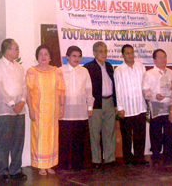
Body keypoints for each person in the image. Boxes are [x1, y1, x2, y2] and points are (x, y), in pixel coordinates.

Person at [0, 39, 27, 182]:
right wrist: (13, 104)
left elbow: (24, 86)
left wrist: (22, 101)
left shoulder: (19, 67)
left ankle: (16, 170)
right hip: (5, 110)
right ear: (7, 50)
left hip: (20, 109)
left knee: (18, 141)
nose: (18, 51)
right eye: (16, 48)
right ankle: (2, 171)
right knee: (4, 142)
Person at [26, 45, 65, 175]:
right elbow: (27, 92)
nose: (43, 57)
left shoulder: (57, 71)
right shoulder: (32, 71)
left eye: (46, 54)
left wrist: (62, 107)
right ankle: (40, 165)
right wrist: (30, 109)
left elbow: (61, 91)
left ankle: (50, 164)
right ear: (37, 56)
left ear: (50, 57)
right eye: (41, 54)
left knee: (52, 137)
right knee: (39, 138)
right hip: (38, 111)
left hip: (53, 111)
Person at [58, 46, 94, 171]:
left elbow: (89, 90)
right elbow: (56, 91)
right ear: (67, 57)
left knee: (78, 140)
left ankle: (77, 165)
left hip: (81, 111)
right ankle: (63, 165)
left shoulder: (84, 71)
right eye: (74, 56)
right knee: (64, 139)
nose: (76, 59)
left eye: (79, 56)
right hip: (65, 111)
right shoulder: (59, 71)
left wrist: (90, 106)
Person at [83, 41, 117, 169]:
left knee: (110, 132)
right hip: (96, 103)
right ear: (94, 53)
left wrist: (116, 104)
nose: (104, 54)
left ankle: (109, 159)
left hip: (109, 102)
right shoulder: (88, 67)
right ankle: (96, 160)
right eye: (101, 51)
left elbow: (114, 85)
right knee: (95, 133)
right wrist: (88, 105)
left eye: (105, 51)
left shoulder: (109, 66)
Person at [114, 44, 148, 165]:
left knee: (140, 135)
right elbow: (117, 90)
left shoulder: (141, 67)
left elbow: (146, 85)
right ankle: (127, 158)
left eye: (132, 52)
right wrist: (120, 108)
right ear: (123, 55)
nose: (130, 55)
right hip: (126, 109)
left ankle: (140, 158)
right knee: (127, 137)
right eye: (127, 53)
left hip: (140, 107)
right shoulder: (118, 70)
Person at [142, 49, 172, 165]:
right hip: (156, 106)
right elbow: (145, 92)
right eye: (160, 57)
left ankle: (168, 154)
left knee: (169, 132)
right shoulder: (149, 74)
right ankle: (156, 154)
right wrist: (154, 96)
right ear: (154, 60)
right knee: (155, 132)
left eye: (164, 57)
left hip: (169, 107)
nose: (163, 59)